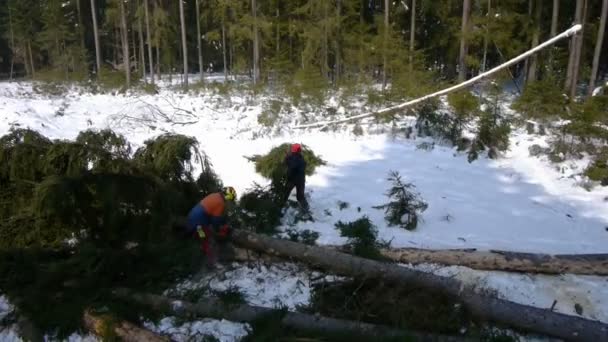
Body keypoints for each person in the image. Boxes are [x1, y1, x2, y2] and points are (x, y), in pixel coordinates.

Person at [186, 186, 237, 268]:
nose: (229, 202)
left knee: (203, 238)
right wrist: (222, 229)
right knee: (207, 239)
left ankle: (204, 255)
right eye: (230, 200)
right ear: (228, 197)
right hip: (199, 224)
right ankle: (213, 262)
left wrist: (223, 223)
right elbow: (215, 221)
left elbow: (212, 214)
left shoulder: (216, 195)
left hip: (193, 219)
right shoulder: (220, 202)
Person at [284, 143, 309, 211]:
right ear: (299, 150)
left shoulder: (291, 158)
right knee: (300, 196)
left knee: (284, 194)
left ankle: (279, 207)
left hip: (292, 180)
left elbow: (290, 166)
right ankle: (306, 209)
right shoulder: (301, 158)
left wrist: (288, 177)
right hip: (301, 180)